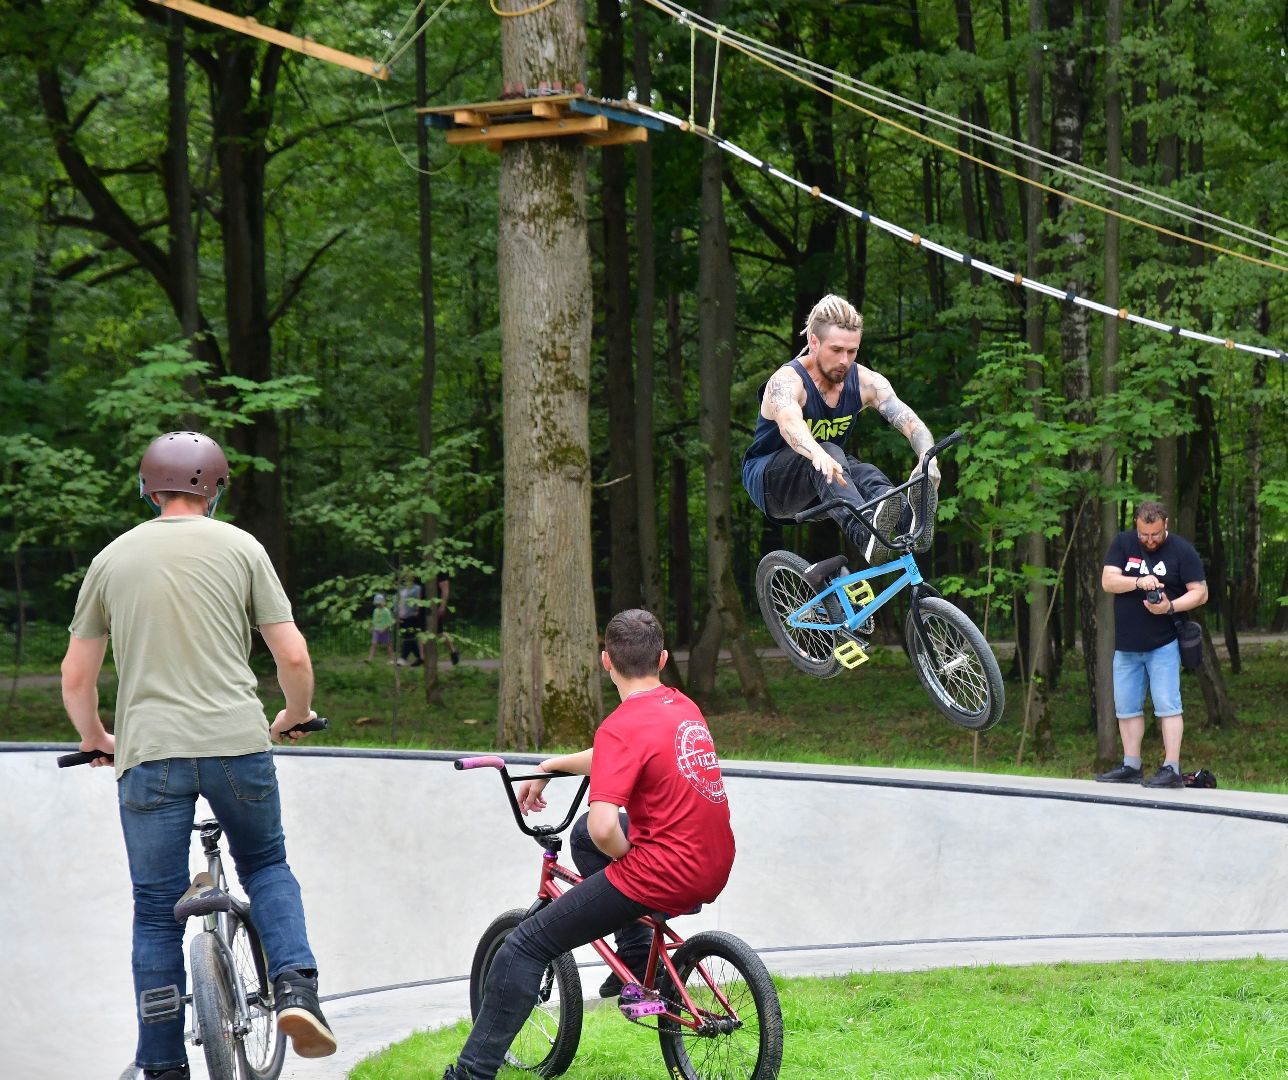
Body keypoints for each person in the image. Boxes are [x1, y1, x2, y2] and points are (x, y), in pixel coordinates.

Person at [60, 431, 337, 1080]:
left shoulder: (112, 558)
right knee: (266, 864)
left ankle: (160, 1065)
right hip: (237, 742)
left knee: (156, 910)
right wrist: (294, 715)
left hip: (149, 754)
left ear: (146, 486)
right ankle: (297, 990)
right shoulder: (242, 548)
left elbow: (76, 677)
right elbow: (292, 656)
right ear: (216, 487)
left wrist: (97, 736)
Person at [443, 609, 735, 1080]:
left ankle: (471, 1074)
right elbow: (612, 764)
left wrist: (630, 859)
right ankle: (640, 960)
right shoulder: (682, 706)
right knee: (578, 834)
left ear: (606, 661)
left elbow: (605, 830)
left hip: (662, 871)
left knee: (524, 945)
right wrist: (553, 764)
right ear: (661, 659)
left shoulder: (621, 724)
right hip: (714, 861)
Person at [742, 294, 940, 567]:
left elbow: (910, 421)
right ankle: (864, 532)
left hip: (826, 481)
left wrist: (927, 457)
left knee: (864, 472)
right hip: (771, 484)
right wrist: (816, 453)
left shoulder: (866, 382)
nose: (844, 360)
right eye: (836, 350)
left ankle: (912, 523)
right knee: (831, 452)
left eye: (852, 351)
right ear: (814, 342)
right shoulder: (788, 381)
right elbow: (789, 422)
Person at [1096, 499, 1208, 789]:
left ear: (1165, 524)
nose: (1149, 540)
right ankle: (1131, 765)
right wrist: (1138, 581)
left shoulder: (1183, 551)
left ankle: (1171, 767)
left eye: (1155, 534)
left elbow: (1200, 593)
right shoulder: (1123, 544)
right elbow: (1109, 581)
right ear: (1137, 526)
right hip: (1126, 645)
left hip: (1164, 644)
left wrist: (1170, 607)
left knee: (1168, 706)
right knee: (1127, 708)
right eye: (1144, 535)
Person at [395, 573, 425, 666]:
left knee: (409, 637)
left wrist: (418, 612)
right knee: (409, 638)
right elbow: (397, 601)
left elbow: (420, 601)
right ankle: (420, 657)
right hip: (402, 616)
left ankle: (403, 658)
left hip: (412, 616)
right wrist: (396, 613)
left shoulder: (417, 588)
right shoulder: (401, 588)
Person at [433, 569, 460, 666]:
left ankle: (453, 651)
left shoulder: (441, 570)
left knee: (438, 632)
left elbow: (445, 588)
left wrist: (442, 605)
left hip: (436, 605)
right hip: (426, 605)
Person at [366, 592, 395, 662]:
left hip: (385, 630)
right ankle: (369, 659)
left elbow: (389, 622)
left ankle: (392, 659)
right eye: (377, 603)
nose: (378, 605)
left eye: (379, 603)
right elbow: (374, 620)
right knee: (374, 644)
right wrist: (372, 627)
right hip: (376, 630)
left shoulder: (386, 611)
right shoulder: (375, 611)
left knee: (388, 645)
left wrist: (384, 628)